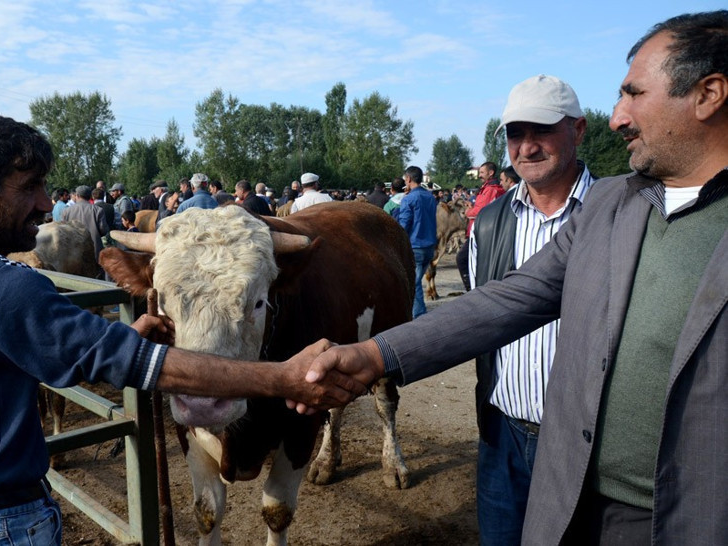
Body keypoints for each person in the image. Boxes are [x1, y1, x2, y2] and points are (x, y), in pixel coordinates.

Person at [299, 10, 728, 545]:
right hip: (542, 462)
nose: (620, 116)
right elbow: (505, 302)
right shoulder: (617, 206)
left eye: (634, 94)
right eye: (514, 134)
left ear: (709, 95)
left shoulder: (602, 199)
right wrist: (373, 356)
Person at [0, 114, 367, 545]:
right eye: (31, 187)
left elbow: (75, 353)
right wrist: (285, 378)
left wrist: (123, 339)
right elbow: (139, 367)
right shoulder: (1, 287)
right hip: (2, 524)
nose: (48, 203)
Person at [468, 74, 595, 546]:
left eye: (541, 130)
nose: (527, 147)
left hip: (583, 443)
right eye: (516, 134)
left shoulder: (615, 212)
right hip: (503, 434)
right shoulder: (490, 222)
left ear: (578, 131)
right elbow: (480, 319)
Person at [456, 161, 505, 290]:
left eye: (482, 172)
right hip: (486, 231)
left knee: (462, 259)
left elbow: (481, 212)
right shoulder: (490, 189)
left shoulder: (490, 190)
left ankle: (472, 291)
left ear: (491, 173)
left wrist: (468, 212)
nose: (479, 175)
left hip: (481, 233)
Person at [397, 166, 437, 318]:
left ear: (408, 179)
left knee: (414, 282)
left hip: (415, 245)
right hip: (429, 245)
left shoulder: (408, 199)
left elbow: (404, 224)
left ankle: (419, 315)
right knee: (417, 280)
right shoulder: (430, 197)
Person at [61, 184, 109, 267]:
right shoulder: (98, 210)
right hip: (94, 250)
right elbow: (104, 230)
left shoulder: (66, 211)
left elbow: (63, 232)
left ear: (77, 195)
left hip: (74, 250)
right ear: (90, 196)